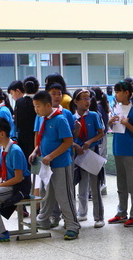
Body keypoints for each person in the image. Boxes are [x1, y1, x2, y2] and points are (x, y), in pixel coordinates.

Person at [29, 91, 80, 240]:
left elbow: (68, 142)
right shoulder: (42, 119)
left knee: (64, 195)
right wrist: (35, 151)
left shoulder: (60, 119)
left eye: (38, 106)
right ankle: (43, 219)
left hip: (60, 164)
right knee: (46, 193)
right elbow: (41, 140)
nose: (36, 110)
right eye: (34, 106)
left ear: (47, 105)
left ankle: (72, 225)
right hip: (46, 164)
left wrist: (51, 156)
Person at [108, 80, 133, 227]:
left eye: (118, 92)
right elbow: (113, 128)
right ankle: (121, 212)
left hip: (131, 151)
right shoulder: (116, 108)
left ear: (127, 93)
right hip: (118, 150)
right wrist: (110, 122)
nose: (116, 95)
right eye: (115, 92)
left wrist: (127, 124)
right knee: (121, 184)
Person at [71, 89, 105, 227]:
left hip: (91, 152)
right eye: (84, 98)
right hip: (78, 154)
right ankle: (82, 212)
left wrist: (90, 141)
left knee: (95, 186)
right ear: (76, 101)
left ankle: (99, 217)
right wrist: (76, 146)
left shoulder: (94, 115)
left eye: (88, 98)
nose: (87, 101)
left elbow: (101, 133)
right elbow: (70, 137)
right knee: (81, 184)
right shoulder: (72, 118)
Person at [13, 76, 39, 164]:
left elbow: (17, 122)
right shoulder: (40, 101)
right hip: (37, 135)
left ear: (24, 88)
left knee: (25, 162)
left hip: (23, 137)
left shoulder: (19, 102)